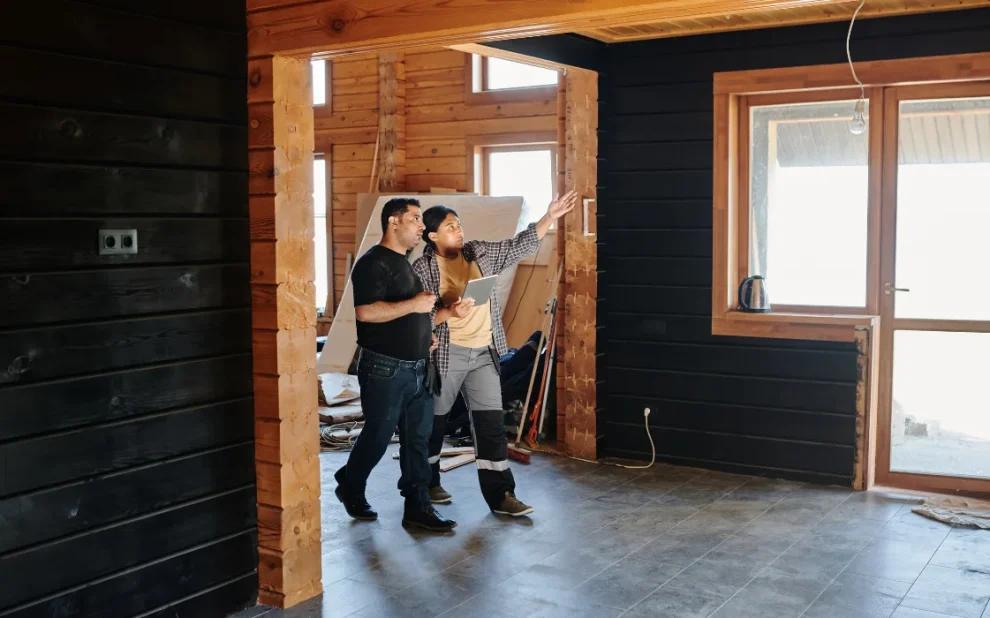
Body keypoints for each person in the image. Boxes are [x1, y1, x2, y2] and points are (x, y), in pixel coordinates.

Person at [412, 191, 579, 516]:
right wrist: (449, 311)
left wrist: (550, 216)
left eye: (459, 224)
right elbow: (418, 316)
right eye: (450, 227)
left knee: (490, 426)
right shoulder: (423, 268)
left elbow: (519, 245)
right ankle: (427, 483)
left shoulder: (479, 253)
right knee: (434, 423)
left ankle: (502, 496)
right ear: (433, 236)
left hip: (483, 353)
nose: (459, 230)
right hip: (446, 355)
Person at [333, 197, 456, 532]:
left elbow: (408, 315)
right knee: (378, 436)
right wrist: (415, 305)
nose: (422, 227)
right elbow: (366, 312)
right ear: (393, 221)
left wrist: (425, 336)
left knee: (417, 440)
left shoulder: (404, 263)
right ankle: (351, 484)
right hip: (385, 368)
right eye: (415, 219)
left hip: (419, 367)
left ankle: (418, 507)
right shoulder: (373, 263)